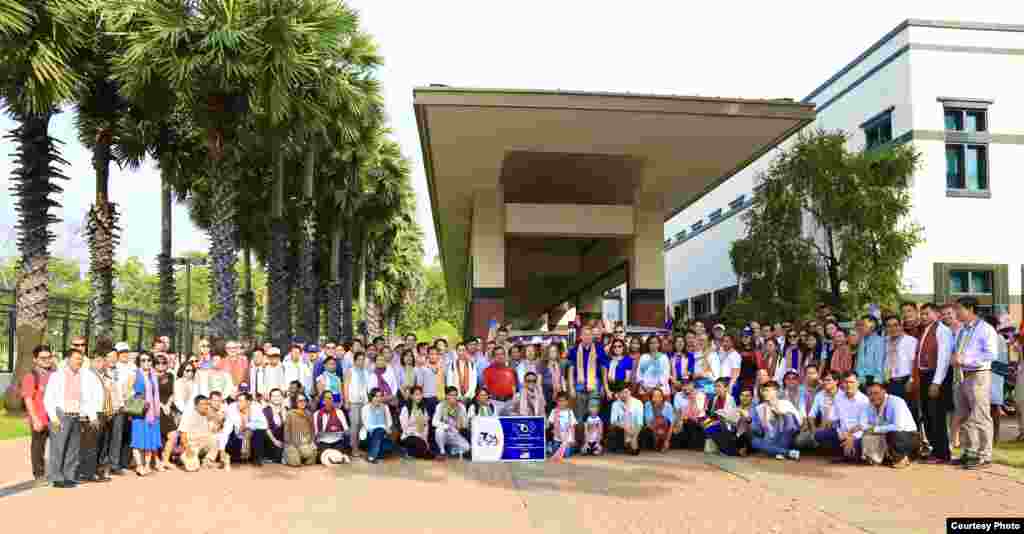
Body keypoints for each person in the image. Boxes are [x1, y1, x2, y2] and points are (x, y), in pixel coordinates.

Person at [44, 348, 101, 488]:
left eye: (81, 359)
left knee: (73, 449)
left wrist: (92, 416)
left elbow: (87, 398)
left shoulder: (83, 376)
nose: (79, 362)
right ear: (68, 359)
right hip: (60, 415)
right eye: (76, 359)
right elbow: (48, 398)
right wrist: (53, 417)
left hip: (76, 416)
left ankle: (69, 475)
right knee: (58, 448)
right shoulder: (57, 376)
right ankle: (56, 477)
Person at [953, 297, 998, 469]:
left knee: (980, 415)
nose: (956, 312)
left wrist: (967, 359)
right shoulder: (961, 330)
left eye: (959, 309)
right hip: (961, 376)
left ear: (970, 309)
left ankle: (984, 455)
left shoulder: (985, 329)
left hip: (978, 375)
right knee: (964, 414)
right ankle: (968, 452)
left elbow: (991, 354)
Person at [913, 302, 954, 464]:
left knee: (936, 415)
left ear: (937, 314)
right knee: (928, 415)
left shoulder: (942, 330)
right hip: (924, 375)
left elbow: (943, 358)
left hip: (936, 376)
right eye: (921, 314)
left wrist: (936, 383)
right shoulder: (925, 330)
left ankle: (942, 453)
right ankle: (934, 450)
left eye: (927, 314)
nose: (923, 317)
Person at [862, 382, 919, 468]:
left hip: (908, 437)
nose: (873, 397)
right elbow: (864, 424)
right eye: (870, 394)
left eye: (876, 393)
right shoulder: (870, 404)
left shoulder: (896, 402)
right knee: (867, 435)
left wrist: (874, 429)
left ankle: (902, 458)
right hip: (889, 436)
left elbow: (898, 426)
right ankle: (882, 458)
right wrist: (869, 429)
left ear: (884, 392)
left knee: (893, 433)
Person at [820, 371, 870, 463]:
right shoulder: (838, 398)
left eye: (851, 382)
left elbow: (863, 425)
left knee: (855, 451)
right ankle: (842, 452)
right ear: (842, 384)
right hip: (842, 433)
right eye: (846, 382)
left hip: (858, 435)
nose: (848, 385)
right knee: (820, 435)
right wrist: (839, 432)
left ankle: (847, 452)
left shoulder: (864, 400)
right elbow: (832, 418)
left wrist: (851, 437)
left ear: (858, 383)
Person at [22, 344, 54, 486]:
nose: (46, 360)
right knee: (38, 448)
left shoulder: (55, 374)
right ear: (35, 359)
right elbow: (28, 399)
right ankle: (39, 475)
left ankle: (56, 471)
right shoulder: (31, 376)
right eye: (42, 358)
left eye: (48, 357)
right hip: (39, 419)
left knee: (58, 446)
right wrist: (34, 419)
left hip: (54, 418)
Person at [750, 381, 801, 461]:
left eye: (768, 390)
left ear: (776, 392)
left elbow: (798, 423)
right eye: (764, 390)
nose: (765, 393)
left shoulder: (785, 403)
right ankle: (787, 452)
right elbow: (757, 431)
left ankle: (780, 450)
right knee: (754, 442)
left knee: (789, 416)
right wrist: (749, 420)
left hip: (785, 437)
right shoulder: (759, 408)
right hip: (769, 439)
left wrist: (781, 414)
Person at [130, 352, 163, 476]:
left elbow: (156, 394)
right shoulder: (135, 374)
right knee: (138, 440)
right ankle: (139, 465)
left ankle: (147, 465)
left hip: (152, 413)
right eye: (143, 360)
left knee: (150, 440)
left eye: (149, 360)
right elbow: (127, 390)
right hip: (139, 412)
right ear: (139, 361)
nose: (146, 362)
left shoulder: (153, 375)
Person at [569, 326, 608, 422]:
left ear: (592, 336)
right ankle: (580, 436)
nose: (587, 337)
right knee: (579, 416)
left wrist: (604, 386)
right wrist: (571, 388)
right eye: (585, 334)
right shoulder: (574, 350)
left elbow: (604, 369)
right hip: (579, 386)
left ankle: (593, 436)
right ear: (581, 336)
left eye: (589, 335)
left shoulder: (599, 349)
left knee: (593, 415)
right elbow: (570, 369)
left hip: (594, 386)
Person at [881, 315, 918, 405]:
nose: (892, 328)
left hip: (904, 382)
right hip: (888, 382)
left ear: (901, 326)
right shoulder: (884, 341)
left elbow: (914, 362)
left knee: (906, 410)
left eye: (895, 325)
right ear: (885, 328)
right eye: (889, 326)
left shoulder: (910, 340)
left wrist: (911, 380)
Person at [226, 391, 268, 466]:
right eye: (237, 401)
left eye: (241, 401)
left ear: (248, 402)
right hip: (237, 437)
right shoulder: (232, 408)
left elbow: (264, 425)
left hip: (251, 439)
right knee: (229, 434)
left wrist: (248, 426)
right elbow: (230, 427)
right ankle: (237, 456)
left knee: (259, 431)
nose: (238, 403)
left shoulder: (256, 408)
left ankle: (256, 459)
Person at [985, 315, 1009, 446]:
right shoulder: (997, 337)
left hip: (993, 374)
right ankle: (992, 438)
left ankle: (994, 438)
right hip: (994, 374)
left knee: (993, 407)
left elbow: (997, 357)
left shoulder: (996, 337)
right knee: (991, 407)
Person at [178, 395, 216, 472]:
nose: (205, 406)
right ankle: (184, 456)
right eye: (202, 404)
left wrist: (211, 415)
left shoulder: (207, 414)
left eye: (206, 404)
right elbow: (183, 435)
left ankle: (208, 460)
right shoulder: (188, 414)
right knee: (193, 468)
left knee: (217, 438)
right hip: (192, 444)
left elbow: (216, 425)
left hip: (204, 441)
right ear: (195, 406)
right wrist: (188, 449)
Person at [344, 351, 371, 457]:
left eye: (363, 360)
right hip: (353, 402)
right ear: (354, 360)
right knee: (354, 424)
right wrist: (346, 400)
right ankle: (353, 448)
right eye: (359, 359)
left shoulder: (365, 372)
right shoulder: (350, 371)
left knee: (361, 425)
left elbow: (367, 388)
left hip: (363, 402)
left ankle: (358, 447)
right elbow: (345, 386)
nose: (361, 361)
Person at [361, 388, 396, 464]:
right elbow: (367, 426)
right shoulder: (365, 408)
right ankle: (372, 456)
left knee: (386, 447)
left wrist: (384, 427)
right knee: (378, 431)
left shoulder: (385, 407)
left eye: (380, 396)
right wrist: (382, 426)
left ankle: (372, 454)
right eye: (376, 396)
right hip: (370, 435)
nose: (378, 399)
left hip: (383, 435)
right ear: (371, 397)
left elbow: (389, 423)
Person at [399, 386, 435, 460]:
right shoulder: (406, 408)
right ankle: (412, 451)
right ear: (412, 396)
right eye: (416, 394)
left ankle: (412, 453)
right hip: (409, 435)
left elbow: (426, 425)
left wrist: (425, 438)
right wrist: (414, 432)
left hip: (420, 436)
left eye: (420, 394)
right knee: (419, 445)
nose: (419, 397)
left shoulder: (423, 408)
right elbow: (404, 426)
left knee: (424, 445)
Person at [608, 382, 644, 455]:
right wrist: (625, 428)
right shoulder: (615, 404)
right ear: (617, 394)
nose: (624, 395)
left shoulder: (638, 403)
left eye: (626, 392)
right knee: (615, 429)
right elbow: (613, 422)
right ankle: (626, 443)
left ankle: (630, 443)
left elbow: (640, 422)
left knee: (636, 430)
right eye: (621, 392)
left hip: (635, 428)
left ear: (630, 392)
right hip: (621, 428)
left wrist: (634, 437)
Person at [313, 390, 350, 459]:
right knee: (326, 456)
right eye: (329, 398)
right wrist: (323, 433)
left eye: (332, 398)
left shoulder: (339, 412)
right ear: (323, 401)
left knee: (336, 457)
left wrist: (340, 432)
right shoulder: (317, 414)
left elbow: (346, 429)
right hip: (323, 441)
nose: (331, 400)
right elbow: (316, 433)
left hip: (337, 440)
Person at [282, 393, 316, 466]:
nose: (302, 403)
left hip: (305, 442)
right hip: (292, 443)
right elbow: (286, 432)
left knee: (311, 458)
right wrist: (290, 444)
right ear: (295, 402)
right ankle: (288, 456)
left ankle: (302, 456)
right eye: (300, 401)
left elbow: (312, 430)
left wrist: (311, 441)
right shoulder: (290, 413)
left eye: (304, 400)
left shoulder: (309, 414)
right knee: (296, 463)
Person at [672, 380, 706, 450]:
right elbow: (677, 411)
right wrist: (679, 420)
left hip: (697, 419)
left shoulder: (700, 395)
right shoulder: (678, 395)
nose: (686, 388)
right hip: (682, 418)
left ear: (693, 386)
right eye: (684, 385)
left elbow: (699, 412)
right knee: (678, 424)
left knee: (691, 422)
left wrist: (692, 398)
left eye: (689, 385)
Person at [482, 346, 517, 415]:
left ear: (505, 355)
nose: (500, 356)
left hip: (509, 402)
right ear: (493, 357)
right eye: (497, 354)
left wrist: (513, 401)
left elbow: (513, 387)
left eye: (502, 354)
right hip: (494, 402)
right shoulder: (487, 370)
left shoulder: (511, 370)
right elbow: (485, 388)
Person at [636, 335, 671, 400]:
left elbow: (666, 374)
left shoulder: (664, 357)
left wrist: (656, 388)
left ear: (659, 344)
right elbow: (639, 374)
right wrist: (645, 387)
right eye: (651, 343)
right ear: (648, 345)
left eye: (655, 343)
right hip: (645, 390)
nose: (653, 345)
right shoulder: (643, 357)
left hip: (661, 390)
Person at [855, 316, 885, 389]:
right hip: (860, 378)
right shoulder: (862, 340)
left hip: (872, 378)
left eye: (863, 325)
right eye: (860, 325)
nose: (861, 327)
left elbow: (879, 362)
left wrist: (877, 382)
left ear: (872, 326)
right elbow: (860, 360)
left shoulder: (879, 341)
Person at [640, 388, 673, 452]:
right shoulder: (648, 405)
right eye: (654, 396)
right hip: (652, 429)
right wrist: (657, 432)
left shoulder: (668, 405)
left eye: (659, 396)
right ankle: (657, 442)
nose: (657, 398)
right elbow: (648, 422)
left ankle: (663, 442)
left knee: (663, 422)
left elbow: (671, 424)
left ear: (662, 397)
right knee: (656, 424)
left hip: (666, 429)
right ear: (651, 397)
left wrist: (667, 440)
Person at [542, 343, 573, 411]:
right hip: (547, 393)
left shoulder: (561, 364)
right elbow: (539, 381)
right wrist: (541, 396)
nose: (553, 353)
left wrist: (565, 392)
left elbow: (562, 378)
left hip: (559, 392)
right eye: (551, 351)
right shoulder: (543, 364)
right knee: (548, 412)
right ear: (548, 353)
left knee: (558, 412)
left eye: (555, 351)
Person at [547, 392, 577, 460]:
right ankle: (550, 445)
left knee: (566, 454)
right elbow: (550, 424)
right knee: (555, 451)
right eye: (559, 401)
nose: (561, 403)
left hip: (567, 439)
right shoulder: (554, 411)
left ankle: (571, 448)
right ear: (557, 401)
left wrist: (572, 439)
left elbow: (573, 426)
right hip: (557, 439)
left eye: (563, 401)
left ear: (567, 402)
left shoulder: (570, 412)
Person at [261, 388, 287, 463]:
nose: (276, 398)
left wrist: (283, 413)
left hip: (283, 440)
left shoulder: (286, 410)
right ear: (270, 398)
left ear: (282, 397)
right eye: (274, 396)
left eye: (278, 396)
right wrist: (275, 441)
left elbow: (287, 427)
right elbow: (266, 429)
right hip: (271, 439)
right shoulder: (265, 410)